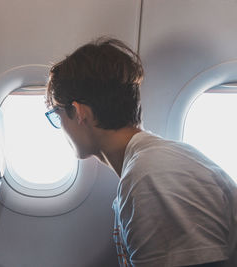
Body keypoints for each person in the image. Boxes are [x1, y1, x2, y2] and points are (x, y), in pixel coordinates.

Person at [45, 37, 237, 267]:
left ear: (78, 112)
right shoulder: (146, 167)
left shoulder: (151, 178)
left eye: (56, 114)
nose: (60, 125)